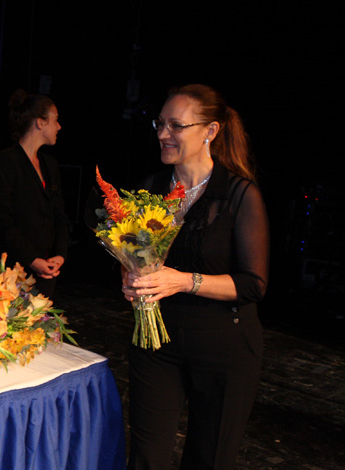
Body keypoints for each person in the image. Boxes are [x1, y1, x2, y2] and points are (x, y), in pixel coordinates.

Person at [122, 84, 269, 469]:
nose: (162, 134)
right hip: (156, 340)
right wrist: (131, 278)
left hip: (224, 345)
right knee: (146, 458)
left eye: (176, 125)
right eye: (159, 124)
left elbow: (253, 284)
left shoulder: (238, 194)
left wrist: (184, 280)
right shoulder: (151, 188)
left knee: (209, 458)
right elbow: (133, 253)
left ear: (210, 131)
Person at [0, 90, 68, 295]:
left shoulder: (50, 164)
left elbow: (59, 215)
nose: (59, 126)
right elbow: (2, 219)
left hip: (45, 269)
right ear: (40, 122)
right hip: (11, 268)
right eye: (55, 120)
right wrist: (31, 259)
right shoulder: (6, 161)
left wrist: (60, 255)